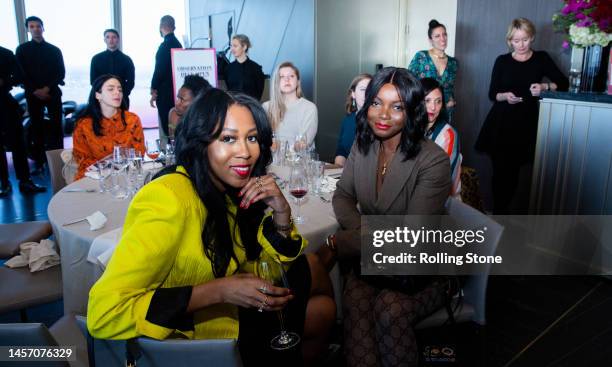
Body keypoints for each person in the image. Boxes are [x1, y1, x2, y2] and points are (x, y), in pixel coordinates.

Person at [87, 88, 335, 365]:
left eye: (251, 138)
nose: (245, 152)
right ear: (200, 141)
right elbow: (104, 313)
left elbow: (263, 264)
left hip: (229, 307)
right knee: (320, 307)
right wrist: (219, 290)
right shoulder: (168, 197)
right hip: (195, 336)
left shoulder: (227, 189)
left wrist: (281, 213)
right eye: (228, 138)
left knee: (316, 288)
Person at [317, 67, 452, 367]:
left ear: (412, 111)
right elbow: (343, 196)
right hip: (375, 260)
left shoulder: (432, 160)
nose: (383, 114)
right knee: (355, 296)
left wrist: (341, 242)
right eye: (376, 103)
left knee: (390, 309)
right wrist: (362, 235)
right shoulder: (363, 145)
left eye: (397, 106)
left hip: (423, 270)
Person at [475, 18, 568, 213]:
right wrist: (505, 96)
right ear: (509, 41)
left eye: (525, 39)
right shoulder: (502, 60)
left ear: (532, 37)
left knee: (514, 173)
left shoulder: (541, 58)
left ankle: (503, 214)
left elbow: (563, 83)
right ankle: (499, 213)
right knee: (499, 172)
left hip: (526, 123)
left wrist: (544, 87)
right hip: (500, 123)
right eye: (516, 41)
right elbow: (492, 94)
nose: (521, 45)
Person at [15, 16, 66, 174]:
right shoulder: (22, 50)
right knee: (36, 128)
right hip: (33, 94)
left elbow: (60, 73)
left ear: (43, 28)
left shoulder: (54, 50)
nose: (36, 29)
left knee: (57, 127)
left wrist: (46, 89)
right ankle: (39, 163)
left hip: (52, 93)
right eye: (32, 26)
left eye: (38, 26)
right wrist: (35, 90)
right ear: (28, 29)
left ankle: (59, 162)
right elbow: (21, 74)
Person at [72, 74, 145, 180]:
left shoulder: (132, 120)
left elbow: (139, 153)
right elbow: (82, 159)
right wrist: (109, 168)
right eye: (111, 89)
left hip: (126, 176)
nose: (117, 93)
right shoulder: (83, 124)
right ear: (98, 95)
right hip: (93, 177)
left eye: (120, 90)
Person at [0, 45, 46, 196]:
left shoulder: (5, 53)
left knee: (18, 144)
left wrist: (4, 81)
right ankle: (4, 183)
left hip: (5, 102)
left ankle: (25, 181)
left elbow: (19, 76)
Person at [408, 19, 458, 121]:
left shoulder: (453, 62)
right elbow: (409, 83)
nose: (443, 39)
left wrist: (452, 100)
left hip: (446, 110)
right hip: (423, 109)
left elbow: (450, 87)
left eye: (444, 34)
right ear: (430, 40)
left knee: (442, 136)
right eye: (437, 36)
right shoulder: (421, 57)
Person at [422, 77, 462, 198]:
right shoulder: (408, 127)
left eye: (438, 101)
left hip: (440, 198)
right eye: (427, 100)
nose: (433, 107)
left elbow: (440, 178)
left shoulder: (448, 134)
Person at [263, 62, 318, 149]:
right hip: (272, 161)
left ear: (298, 82)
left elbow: (304, 143)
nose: (287, 80)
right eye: (282, 77)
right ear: (276, 82)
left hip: (299, 161)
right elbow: (263, 139)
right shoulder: (266, 107)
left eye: (291, 76)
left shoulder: (309, 108)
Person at [150, 15, 182, 147]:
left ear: (161, 27)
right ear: (173, 27)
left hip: (165, 94)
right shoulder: (178, 45)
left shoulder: (164, 46)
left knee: (167, 126)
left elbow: (159, 71)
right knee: (177, 125)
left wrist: (153, 88)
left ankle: (170, 153)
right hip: (177, 92)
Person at [90, 29, 135, 108]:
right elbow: (93, 81)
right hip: (101, 99)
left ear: (118, 39)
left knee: (122, 120)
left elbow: (131, 81)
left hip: (121, 99)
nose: (111, 40)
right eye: (108, 37)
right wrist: (103, 95)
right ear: (104, 40)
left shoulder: (127, 59)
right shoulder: (96, 59)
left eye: (114, 37)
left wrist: (122, 94)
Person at [334, 73, 372, 166]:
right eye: (363, 89)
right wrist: (338, 169)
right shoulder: (348, 120)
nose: (367, 93)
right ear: (353, 94)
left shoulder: (379, 122)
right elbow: (341, 151)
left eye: (371, 90)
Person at [224, 34, 265, 100]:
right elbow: (229, 88)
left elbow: (259, 92)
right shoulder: (228, 69)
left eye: (235, 46)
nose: (232, 49)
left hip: (251, 106)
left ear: (244, 47)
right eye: (231, 46)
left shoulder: (256, 68)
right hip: (234, 106)